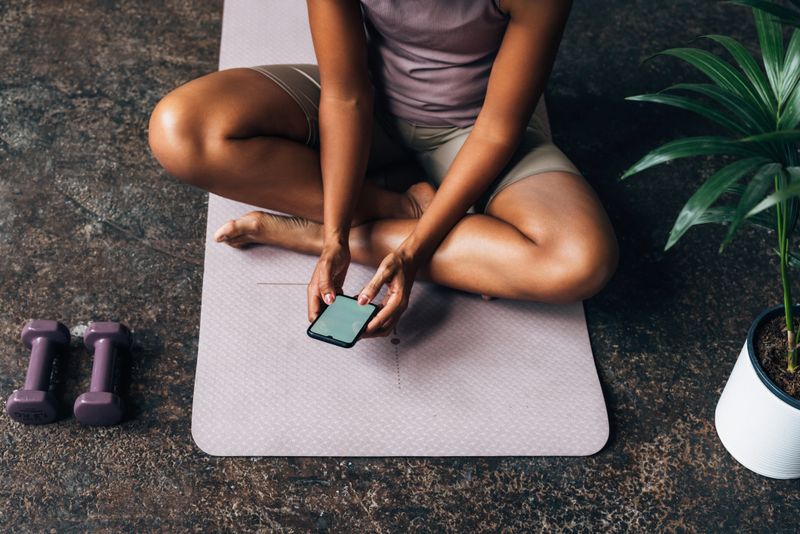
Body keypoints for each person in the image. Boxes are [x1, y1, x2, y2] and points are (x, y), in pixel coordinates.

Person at [147, 0, 619, 339]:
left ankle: (315, 233)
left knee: (579, 262)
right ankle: (401, 209)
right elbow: (346, 94)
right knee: (182, 131)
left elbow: (497, 130)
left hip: (475, 131)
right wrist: (336, 233)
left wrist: (413, 252)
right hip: (369, 111)